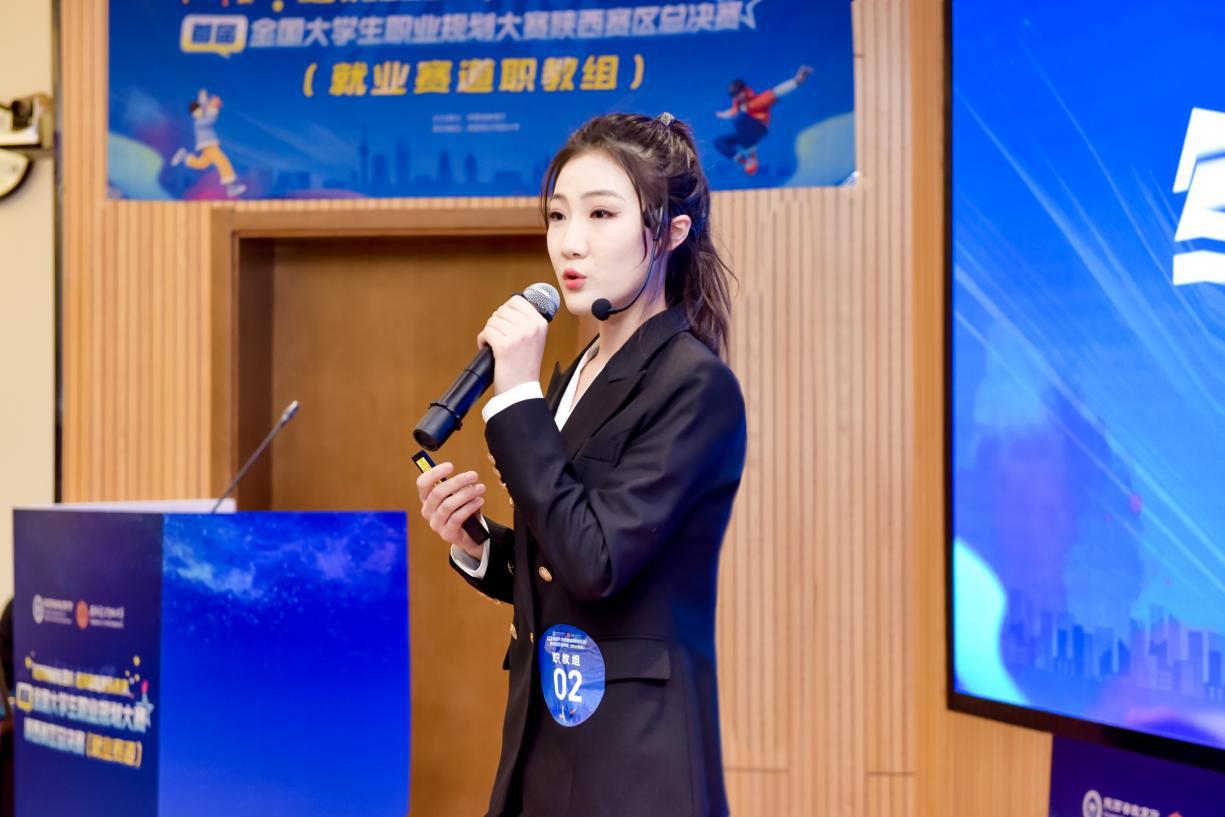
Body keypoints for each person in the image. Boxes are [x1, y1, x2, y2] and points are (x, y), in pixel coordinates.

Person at [416, 112, 747, 816]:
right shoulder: (575, 375)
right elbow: (560, 563)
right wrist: (480, 545)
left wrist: (514, 398)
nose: (570, 241)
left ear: (671, 233)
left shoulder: (695, 385)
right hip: (546, 746)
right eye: (559, 215)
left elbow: (597, 564)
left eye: (601, 214)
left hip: (634, 765)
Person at [714, 65, 813, 175]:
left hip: (759, 128)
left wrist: (797, 80)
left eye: (737, 94)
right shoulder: (737, 107)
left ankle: (753, 157)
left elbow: (779, 91)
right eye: (733, 95)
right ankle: (747, 163)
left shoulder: (760, 100)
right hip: (745, 134)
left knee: (739, 119)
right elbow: (730, 112)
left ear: (744, 91)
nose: (736, 97)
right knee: (719, 142)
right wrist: (722, 114)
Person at [171, 89, 246, 198]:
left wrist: (203, 98)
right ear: (193, 115)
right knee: (222, 161)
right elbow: (210, 119)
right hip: (209, 145)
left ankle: (185, 157)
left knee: (201, 163)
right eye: (197, 112)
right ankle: (231, 187)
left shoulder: (202, 117)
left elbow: (204, 108)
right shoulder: (199, 122)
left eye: (200, 110)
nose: (200, 112)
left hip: (209, 145)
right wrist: (213, 107)